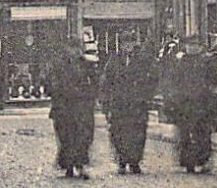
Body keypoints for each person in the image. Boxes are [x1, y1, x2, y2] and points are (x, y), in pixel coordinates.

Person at [161, 39, 217, 174]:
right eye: (190, 45)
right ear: (186, 47)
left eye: (195, 45)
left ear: (200, 47)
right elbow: (172, 81)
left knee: (203, 133)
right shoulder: (180, 62)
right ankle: (188, 162)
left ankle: (203, 160)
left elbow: (213, 80)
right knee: (185, 134)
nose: (192, 48)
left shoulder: (206, 62)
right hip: (185, 105)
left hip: (202, 103)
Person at [102, 36, 155, 174]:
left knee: (137, 133)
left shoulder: (142, 61)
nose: (128, 46)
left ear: (134, 44)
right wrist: (106, 101)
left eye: (130, 43)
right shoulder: (114, 60)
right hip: (119, 103)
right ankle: (122, 160)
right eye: (125, 43)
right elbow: (107, 81)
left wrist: (146, 95)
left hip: (137, 103)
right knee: (118, 132)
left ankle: (135, 161)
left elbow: (152, 78)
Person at [49, 38, 98, 178]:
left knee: (83, 137)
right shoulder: (59, 65)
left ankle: (80, 164)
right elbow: (51, 83)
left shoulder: (86, 64)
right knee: (66, 137)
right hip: (64, 107)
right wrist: (58, 95)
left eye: (78, 48)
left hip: (81, 107)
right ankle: (69, 166)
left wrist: (90, 97)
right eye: (72, 48)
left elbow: (95, 82)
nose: (75, 52)